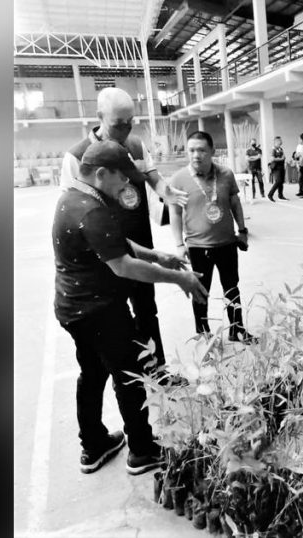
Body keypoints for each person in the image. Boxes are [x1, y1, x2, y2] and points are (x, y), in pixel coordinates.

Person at [53, 140, 208, 475]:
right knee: (129, 376)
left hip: (72, 309)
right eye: (122, 178)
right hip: (99, 312)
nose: (126, 185)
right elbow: (122, 265)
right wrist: (177, 278)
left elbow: (113, 241)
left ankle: (92, 445)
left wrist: (156, 254)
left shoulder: (75, 196)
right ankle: (141, 449)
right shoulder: (91, 209)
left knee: (92, 374)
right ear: (101, 173)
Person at [60, 88, 187, 378]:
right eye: (119, 123)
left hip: (138, 243)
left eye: (131, 121)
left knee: (147, 312)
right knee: (115, 321)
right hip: (105, 256)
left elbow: (156, 181)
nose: (126, 129)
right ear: (100, 117)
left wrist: (170, 194)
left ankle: (158, 372)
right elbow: (72, 209)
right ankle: (133, 378)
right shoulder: (76, 157)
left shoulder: (136, 145)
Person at [168, 132, 257, 343]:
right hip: (198, 247)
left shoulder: (225, 174)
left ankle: (237, 330)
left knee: (232, 287)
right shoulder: (179, 179)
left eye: (201, 150)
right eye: (191, 150)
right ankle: (203, 333)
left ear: (212, 152)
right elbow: (175, 213)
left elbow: (235, 203)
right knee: (200, 291)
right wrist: (179, 245)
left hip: (227, 243)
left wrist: (242, 231)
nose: (196, 155)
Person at [267, 135, 288, 202]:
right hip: (276, 168)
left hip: (281, 167)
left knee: (281, 182)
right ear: (276, 141)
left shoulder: (280, 149)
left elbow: (284, 156)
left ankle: (280, 195)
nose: (281, 142)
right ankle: (270, 194)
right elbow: (272, 158)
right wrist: (281, 158)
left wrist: (282, 158)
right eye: (280, 140)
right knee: (278, 181)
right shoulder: (273, 149)